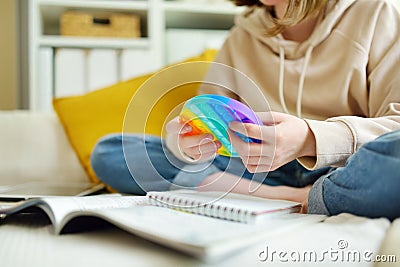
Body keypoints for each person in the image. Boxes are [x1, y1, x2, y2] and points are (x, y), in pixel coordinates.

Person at [90, 0, 400, 220]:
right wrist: (187, 142)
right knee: (112, 151)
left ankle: (315, 196)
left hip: (340, 168)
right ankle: (289, 200)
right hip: (257, 169)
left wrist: (308, 138)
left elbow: (395, 128)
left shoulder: (377, 12)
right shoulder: (242, 35)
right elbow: (201, 117)